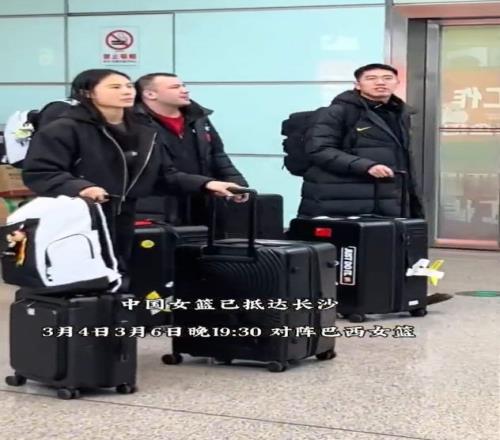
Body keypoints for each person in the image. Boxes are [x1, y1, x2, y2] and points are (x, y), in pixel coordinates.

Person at [22, 68, 246, 271]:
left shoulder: (143, 131)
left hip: (125, 216)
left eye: (129, 85)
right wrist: (82, 188)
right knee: (80, 277)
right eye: (115, 87)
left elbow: (163, 175)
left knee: (122, 273)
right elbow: (41, 172)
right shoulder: (64, 128)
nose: (126, 91)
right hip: (79, 217)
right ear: (88, 93)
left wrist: (207, 183)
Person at [299, 63, 451, 305]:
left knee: (388, 245)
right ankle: (339, 301)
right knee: (344, 252)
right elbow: (319, 149)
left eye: (387, 78)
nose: (380, 82)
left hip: (387, 193)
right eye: (371, 78)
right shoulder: (337, 112)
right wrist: (365, 165)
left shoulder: (398, 113)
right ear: (357, 85)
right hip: (341, 196)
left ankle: (395, 298)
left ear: (396, 83)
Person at [134, 72, 248, 228]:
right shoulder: (136, 123)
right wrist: (206, 183)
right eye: (175, 87)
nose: (184, 90)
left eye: (183, 86)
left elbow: (217, 155)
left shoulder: (198, 118)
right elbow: (159, 171)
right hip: (158, 207)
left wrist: (236, 183)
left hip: (201, 201)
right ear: (150, 94)